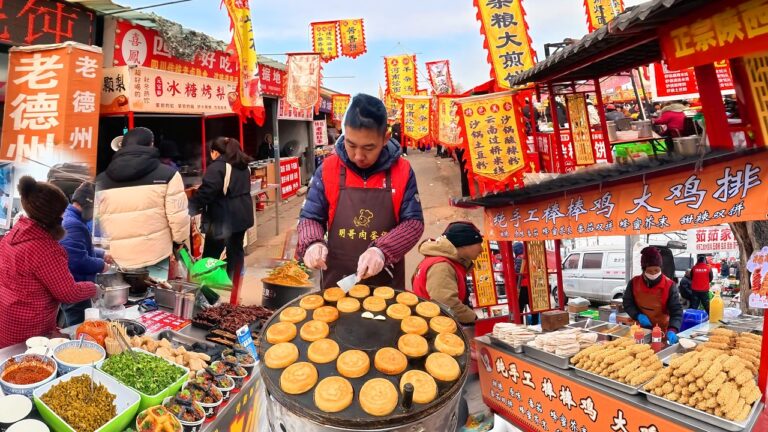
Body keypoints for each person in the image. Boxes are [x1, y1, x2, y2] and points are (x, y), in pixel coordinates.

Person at [298, 94, 424, 289]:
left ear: (385, 139)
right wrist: (312, 243)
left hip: (386, 283)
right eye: (351, 144)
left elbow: (413, 223)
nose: (358, 156)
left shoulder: (403, 171)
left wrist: (381, 251)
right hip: (337, 284)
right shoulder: (328, 169)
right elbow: (311, 217)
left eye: (368, 147)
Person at [0, 177, 97, 348]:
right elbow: (68, 293)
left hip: (6, 320)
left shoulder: (12, 235)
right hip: (30, 329)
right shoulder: (45, 249)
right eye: (61, 212)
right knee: (28, 367)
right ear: (52, 216)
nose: (63, 216)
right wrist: (93, 288)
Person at [95, 127, 189, 279]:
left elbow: (96, 224)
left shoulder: (101, 180)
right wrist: (179, 242)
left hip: (117, 258)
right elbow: (178, 217)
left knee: (122, 300)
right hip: (156, 255)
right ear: (151, 145)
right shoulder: (168, 175)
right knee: (156, 298)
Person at [189, 137, 254, 280]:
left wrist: (190, 207)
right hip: (242, 217)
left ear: (215, 152)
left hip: (223, 219)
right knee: (236, 253)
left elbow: (206, 192)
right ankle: (235, 290)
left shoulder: (218, 167)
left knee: (211, 256)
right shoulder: (244, 165)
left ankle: (209, 291)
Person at [59, 183, 111, 326]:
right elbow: (77, 260)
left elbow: (80, 248)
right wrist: (102, 265)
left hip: (75, 287)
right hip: (76, 289)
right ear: (87, 205)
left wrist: (102, 254)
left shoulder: (73, 219)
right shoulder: (73, 224)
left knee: (74, 324)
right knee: (78, 328)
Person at [411, 222, 482, 324]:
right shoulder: (442, 266)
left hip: (433, 321)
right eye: (479, 243)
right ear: (463, 244)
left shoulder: (438, 260)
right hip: (437, 326)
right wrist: (473, 318)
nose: (481, 250)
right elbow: (446, 303)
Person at [623, 247, 684, 343]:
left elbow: (676, 311)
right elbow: (627, 303)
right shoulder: (634, 283)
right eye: (649, 271)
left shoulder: (670, 285)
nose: (653, 273)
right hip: (641, 330)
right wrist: (637, 315)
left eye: (656, 270)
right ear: (643, 270)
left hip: (662, 331)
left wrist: (673, 329)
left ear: (661, 268)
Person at [514, 242, 538, 325]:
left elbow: (516, 273)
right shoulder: (530, 257)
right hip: (532, 286)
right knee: (534, 309)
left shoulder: (519, 259)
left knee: (519, 310)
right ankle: (535, 325)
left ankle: (520, 326)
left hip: (522, 287)